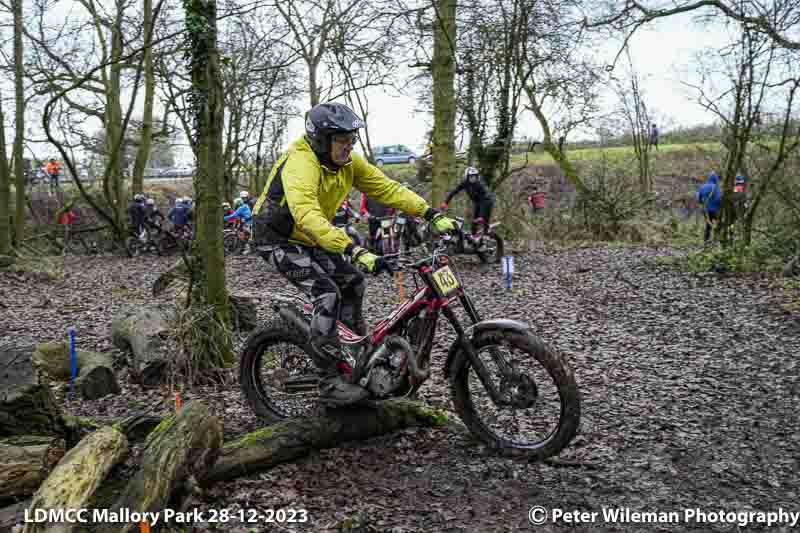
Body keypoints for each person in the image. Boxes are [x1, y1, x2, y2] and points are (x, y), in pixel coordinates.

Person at [251, 102, 455, 406]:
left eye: (352, 139)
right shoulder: (300, 163)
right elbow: (306, 215)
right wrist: (354, 249)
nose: (349, 146)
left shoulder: (348, 163)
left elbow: (387, 189)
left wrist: (430, 213)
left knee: (354, 283)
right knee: (327, 294)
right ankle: (329, 379)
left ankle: (355, 354)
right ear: (321, 140)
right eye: (342, 140)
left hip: (309, 234)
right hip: (276, 236)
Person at [440, 166, 496, 236]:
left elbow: (484, 200)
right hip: (477, 203)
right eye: (471, 177)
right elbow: (454, 191)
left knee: (483, 218)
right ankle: (473, 237)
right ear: (467, 177)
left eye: (474, 176)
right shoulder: (464, 183)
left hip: (487, 201)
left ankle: (486, 232)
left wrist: (481, 216)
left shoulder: (479, 184)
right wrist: (446, 202)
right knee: (474, 222)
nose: (473, 178)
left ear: (477, 176)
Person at [697, 172, 721, 243]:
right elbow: (718, 199)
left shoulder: (703, 187)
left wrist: (703, 203)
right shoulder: (716, 188)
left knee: (708, 225)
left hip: (706, 210)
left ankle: (706, 241)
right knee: (718, 224)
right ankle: (716, 240)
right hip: (715, 210)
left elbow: (699, 198)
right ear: (716, 179)